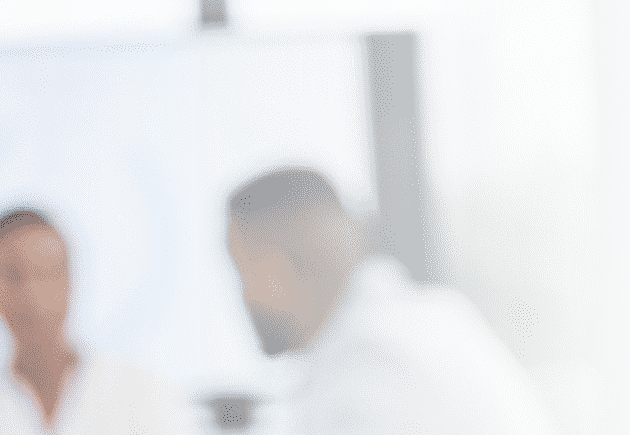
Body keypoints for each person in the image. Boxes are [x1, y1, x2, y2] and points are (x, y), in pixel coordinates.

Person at [224, 169, 557, 435]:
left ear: (275, 270)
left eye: (241, 271)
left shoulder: (370, 371)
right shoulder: (437, 316)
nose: (242, 296)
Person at [0, 209, 189, 435]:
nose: (33, 294)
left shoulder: (142, 392)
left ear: (71, 282)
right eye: (15, 275)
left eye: (49, 274)